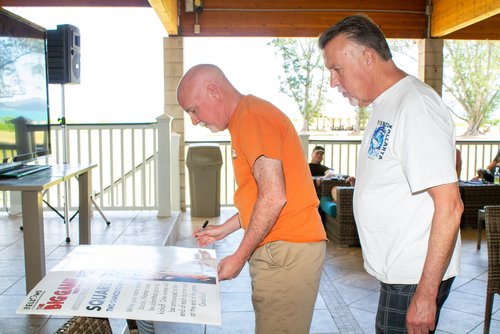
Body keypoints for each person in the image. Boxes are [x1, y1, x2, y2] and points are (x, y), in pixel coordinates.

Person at [319, 15, 463, 333]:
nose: (332, 81)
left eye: (336, 69)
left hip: (414, 276)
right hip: (400, 273)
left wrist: (426, 295)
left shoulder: (415, 106)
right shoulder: (387, 104)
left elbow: (450, 206)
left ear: (368, 58)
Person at [176, 64, 327, 334]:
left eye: (193, 110)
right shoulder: (245, 118)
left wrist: (238, 257)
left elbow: (273, 197)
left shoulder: (252, 117)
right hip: (285, 249)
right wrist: (225, 229)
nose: (194, 121)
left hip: (287, 251)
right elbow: (263, 195)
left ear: (213, 92)